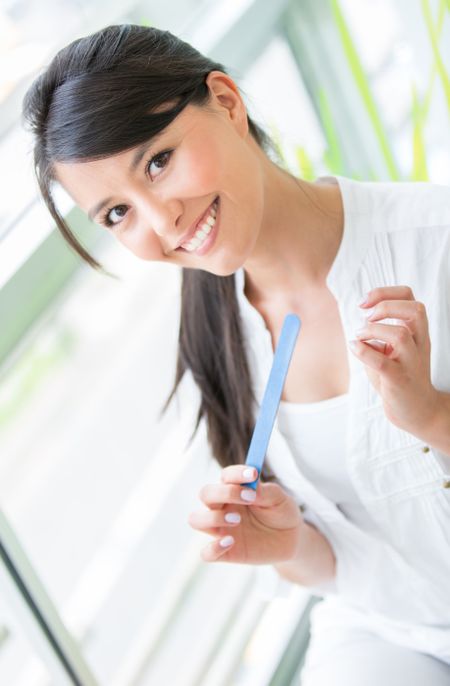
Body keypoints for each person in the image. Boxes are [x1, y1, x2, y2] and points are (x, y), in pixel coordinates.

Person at [22, 23, 450, 685]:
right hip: (385, 628)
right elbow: (346, 565)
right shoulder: (218, 341)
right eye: (116, 214)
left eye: (157, 161)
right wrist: (290, 548)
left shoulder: (436, 240)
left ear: (226, 101)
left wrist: (430, 417)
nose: (161, 223)